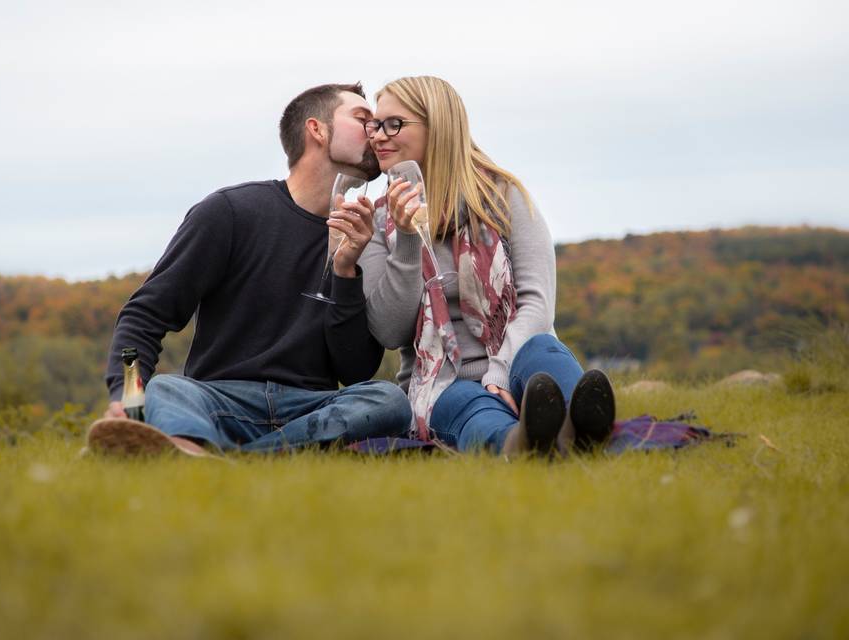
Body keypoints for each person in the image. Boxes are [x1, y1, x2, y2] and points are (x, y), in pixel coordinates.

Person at [87, 82, 411, 457]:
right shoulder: (230, 212)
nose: (375, 132)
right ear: (317, 130)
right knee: (164, 390)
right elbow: (145, 315)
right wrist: (127, 396)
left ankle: (214, 454)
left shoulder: (362, 234)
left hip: (309, 408)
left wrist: (344, 272)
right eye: (362, 119)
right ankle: (214, 444)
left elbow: (354, 370)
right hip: (219, 400)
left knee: (388, 399)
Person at [358, 76, 615, 457]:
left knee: (544, 350)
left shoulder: (503, 196)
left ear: (438, 127)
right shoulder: (379, 222)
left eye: (393, 124)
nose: (379, 136)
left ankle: (582, 428)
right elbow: (390, 331)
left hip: (517, 358)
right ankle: (521, 444)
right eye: (375, 125)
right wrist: (409, 238)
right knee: (468, 405)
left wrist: (500, 372)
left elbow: (536, 303)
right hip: (442, 381)